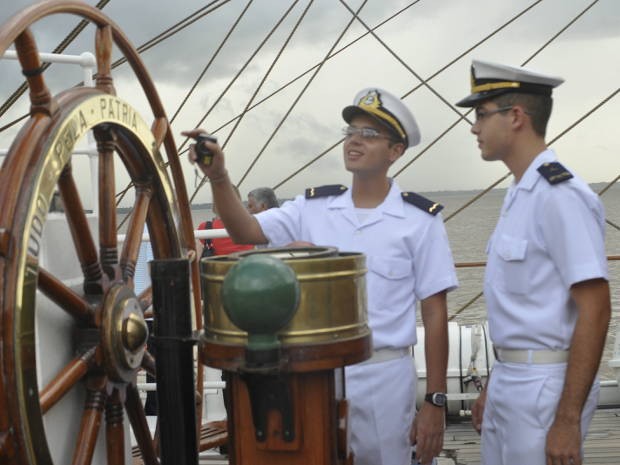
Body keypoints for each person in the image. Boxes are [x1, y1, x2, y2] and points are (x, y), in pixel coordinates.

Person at [183, 87, 458, 465]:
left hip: (384, 378)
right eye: (350, 132)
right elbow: (246, 231)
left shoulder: (419, 220)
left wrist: (435, 401)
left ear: (395, 152)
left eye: (369, 134)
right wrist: (218, 177)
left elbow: (434, 310)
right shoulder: (312, 208)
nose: (355, 141)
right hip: (311, 375)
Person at [456, 60, 611, 465]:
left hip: (546, 387)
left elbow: (594, 307)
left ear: (516, 117)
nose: (474, 128)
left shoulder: (560, 195)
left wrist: (567, 419)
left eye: (481, 115)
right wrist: (494, 384)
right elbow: (522, 311)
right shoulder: (520, 194)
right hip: (512, 379)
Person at [196, 185, 254, 257]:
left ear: (215, 202)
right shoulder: (252, 225)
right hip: (247, 266)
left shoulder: (206, 227)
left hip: (219, 267)